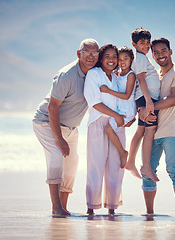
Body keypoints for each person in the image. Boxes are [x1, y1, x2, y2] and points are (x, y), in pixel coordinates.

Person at [32, 39, 99, 217]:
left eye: (95, 53)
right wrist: (59, 139)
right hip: (47, 122)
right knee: (56, 156)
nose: (91, 56)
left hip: (71, 127)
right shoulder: (66, 75)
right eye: (87, 52)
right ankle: (56, 208)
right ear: (79, 54)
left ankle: (63, 207)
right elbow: (52, 107)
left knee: (72, 165)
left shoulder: (95, 73)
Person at [139, 38, 175, 215]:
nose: (160, 55)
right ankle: (149, 214)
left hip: (171, 131)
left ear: (170, 51)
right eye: (156, 52)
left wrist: (148, 107)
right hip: (151, 131)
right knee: (147, 170)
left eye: (163, 51)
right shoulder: (156, 75)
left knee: (173, 168)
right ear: (152, 55)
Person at [83, 44, 126, 215]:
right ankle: (91, 208)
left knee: (116, 166)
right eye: (107, 56)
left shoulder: (117, 78)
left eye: (114, 56)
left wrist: (125, 118)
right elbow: (93, 101)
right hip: (98, 123)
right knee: (96, 166)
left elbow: (124, 100)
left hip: (117, 125)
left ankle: (112, 208)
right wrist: (116, 115)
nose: (111, 60)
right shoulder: (94, 74)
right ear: (101, 59)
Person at [125, 27, 161, 182]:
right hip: (147, 99)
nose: (146, 45)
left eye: (148, 42)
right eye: (142, 43)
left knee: (140, 130)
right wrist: (147, 101)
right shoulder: (139, 58)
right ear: (134, 44)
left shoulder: (143, 57)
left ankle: (130, 162)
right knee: (150, 130)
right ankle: (145, 165)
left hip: (145, 98)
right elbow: (141, 80)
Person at [99, 47, 137, 168]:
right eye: (120, 59)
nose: (122, 62)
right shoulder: (119, 74)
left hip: (127, 110)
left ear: (131, 59)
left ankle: (123, 153)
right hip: (120, 108)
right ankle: (117, 155)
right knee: (109, 131)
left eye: (126, 59)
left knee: (108, 130)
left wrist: (108, 91)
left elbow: (126, 95)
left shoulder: (131, 75)